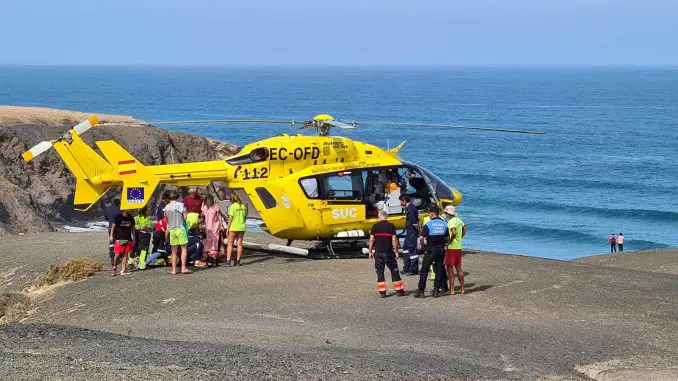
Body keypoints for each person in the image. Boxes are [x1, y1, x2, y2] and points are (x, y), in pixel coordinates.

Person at [368, 209, 405, 298]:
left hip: (378, 252)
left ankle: (382, 292)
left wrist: (370, 251)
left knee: (380, 272)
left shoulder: (375, 226)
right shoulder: (391, 226)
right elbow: (394, 240)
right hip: (388, 253)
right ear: (387, 217)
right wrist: (396, 251)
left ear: (379, 217)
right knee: (394, 270)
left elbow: (371, 239)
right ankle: (399, 290)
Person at [414, 207, 448, 298]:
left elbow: (421, 238)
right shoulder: (444, 224)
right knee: (439, 269)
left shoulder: (428, 224)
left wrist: (422, 246)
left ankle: (421, 290)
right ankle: (436, 289)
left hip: (430, 249)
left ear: (432, 214)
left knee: (424, 269)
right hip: (441, 250)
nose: (428, 216)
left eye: (429, 214)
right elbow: (447, 238)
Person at [165, 190, 192, 274]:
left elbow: (167, 220)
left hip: (172, 230)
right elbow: (185, 218)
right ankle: (183, 268)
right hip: (180, 228)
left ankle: (173, 270)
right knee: (184, 249)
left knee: (174, 251)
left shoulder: (166, 207)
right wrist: (185, 212)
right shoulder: (180, 205)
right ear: (177, 197)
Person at [444, 205, 467, 295]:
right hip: (459, 247)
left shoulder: (451, 221)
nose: (445, 214)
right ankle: (462, 289)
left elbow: (453, 232)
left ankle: (452, 290)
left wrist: (450, 240)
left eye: (445, 213)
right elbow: (465, 228)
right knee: (459, 269)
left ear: (447, 213)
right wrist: (461, 237)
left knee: (450, 269)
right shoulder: (458, 219)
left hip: (452, 248)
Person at [109, 209, 135, 276]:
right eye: (129, 209)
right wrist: (111, 236)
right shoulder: (118, 217)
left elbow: (133, 228)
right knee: (117, 254)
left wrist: (134, 237)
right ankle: (114, 268)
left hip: (128, 239)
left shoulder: (131, 218)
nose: (130, 210)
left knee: (125, 255)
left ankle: (123, 270)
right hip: (119, 239)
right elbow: (113, 226)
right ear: (124, 209)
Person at [399, 195, 420, 275]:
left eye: (401, 201)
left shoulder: (411, 209)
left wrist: (419, 231)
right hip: (409, 232)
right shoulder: (409, 208)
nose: (400, 203)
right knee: (405, 249)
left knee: (412, 250)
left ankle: (413, 270)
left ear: (404, 200)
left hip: (412, 232)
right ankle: (406, 268)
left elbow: (415, 222)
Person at [226, 192, 248, 267]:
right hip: (241, 227)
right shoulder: (244, 206)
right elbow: (245, 218)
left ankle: (228, 261)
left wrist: (227, 228)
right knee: (239, 244)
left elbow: (230, 219)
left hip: (233, 227)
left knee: (230, 244)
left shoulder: (232, 207)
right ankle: (238, 261)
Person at [201, 194, 223, 267]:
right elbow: (202, 216)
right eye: (207, 200)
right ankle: (209, 258)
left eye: (210, 200)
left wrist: (221, 225)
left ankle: (214, 259)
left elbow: (219, 216)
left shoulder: (215, 206)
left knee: (215, 242)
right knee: (208, 242)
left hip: (215, 226)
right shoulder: (204, 207)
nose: (209, 202)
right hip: (207, 227)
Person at [133, 206, 153, 270]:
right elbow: (135, 227)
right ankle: (140, 264)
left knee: (145, 249)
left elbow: (149, 227)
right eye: (148, 209)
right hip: (141, 235)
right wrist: (142, 228)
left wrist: (149, 228)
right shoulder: (136, 218)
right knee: (142, 249)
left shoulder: (147, 217)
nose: (149, 210)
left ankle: (141, 263)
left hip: (147, 235)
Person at [104, 198, 121, 266]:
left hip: (111, 228)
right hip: (119, 228)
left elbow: (106, 218)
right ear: (119, 203)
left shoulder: (108, 209)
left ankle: (112, 257)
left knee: (112, 242)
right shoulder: (120, 209)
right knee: (119, 241)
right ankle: (118, 256)